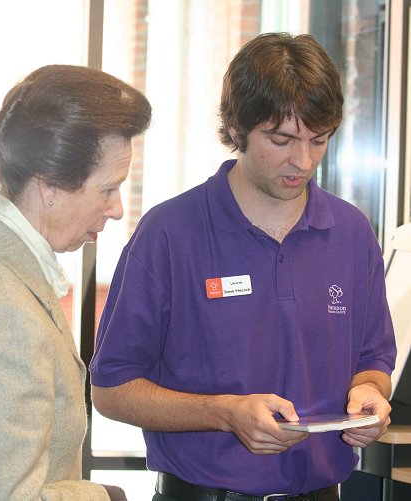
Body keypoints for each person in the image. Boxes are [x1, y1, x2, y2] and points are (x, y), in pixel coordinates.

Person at [90, 33, 397, 501]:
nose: (303, 160)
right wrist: (224, 412)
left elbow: (372, 361)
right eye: (281, 140)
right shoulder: (169, 233)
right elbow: (111, 389)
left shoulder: (352, 232)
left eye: (319, 140)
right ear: (236, 130)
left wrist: (369, 394)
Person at [0, 64, 151, 500]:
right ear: (50, 186)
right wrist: (104, 496)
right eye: (107, 189)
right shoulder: (7, 310)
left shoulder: (14, 272)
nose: (117, 209)